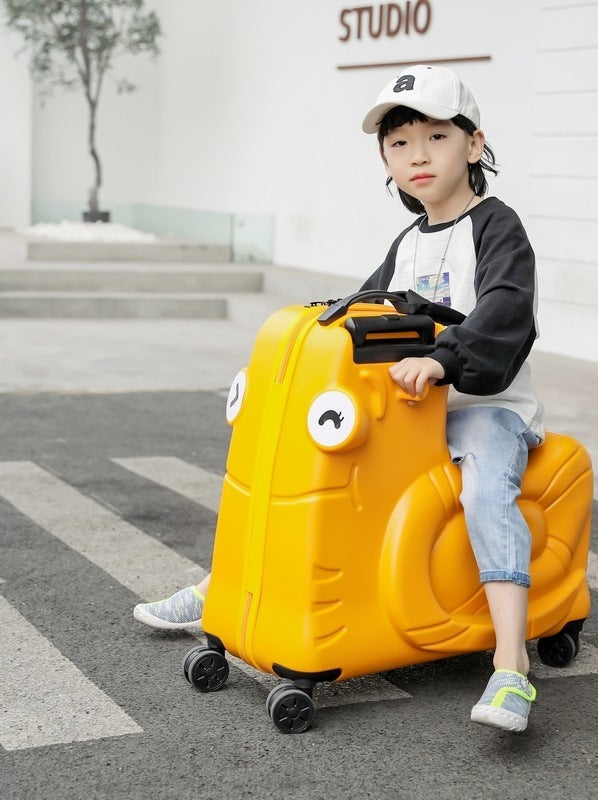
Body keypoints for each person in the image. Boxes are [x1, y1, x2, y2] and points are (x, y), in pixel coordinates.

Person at [134, 64, 544, 733]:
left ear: (473, 145)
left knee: (486, 493)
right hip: (412, 415)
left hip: (483, 412)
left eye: (436, 137)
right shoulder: (408, 242)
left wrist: (444, 360)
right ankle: (223, 592)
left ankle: (511, 667)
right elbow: (362, 315)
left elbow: (505, 312)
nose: (417, 155)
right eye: (399, 143)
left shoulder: (496, 228)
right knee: (299, 472)